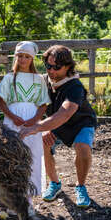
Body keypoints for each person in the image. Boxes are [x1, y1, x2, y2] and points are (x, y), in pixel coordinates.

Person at [20, 45, 97, 208]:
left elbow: (65, 113)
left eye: (57, 67)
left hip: (80, 122)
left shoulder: (74, 87)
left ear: (68, 67)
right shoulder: (43, 82)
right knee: (44, 142)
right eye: (48, 66)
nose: (51, 70)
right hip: (55, 122)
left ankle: (81, 186)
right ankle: (54, 183)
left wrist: (37, 127)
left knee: (83, 147)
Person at [0, 41, 50, 215]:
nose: (23, 59)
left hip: (31, 121)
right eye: (20, 55)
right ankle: (13, 197)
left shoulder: (39, 79)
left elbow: (43, 103)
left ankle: (28, 199)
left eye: (27, 56)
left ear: (32, 58)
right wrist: (13, 117)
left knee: (32, 155)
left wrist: (35, 119)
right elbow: (2, 103)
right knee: (12, 155)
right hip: (13, 120)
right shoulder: (8, 78)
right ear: (16, 57)